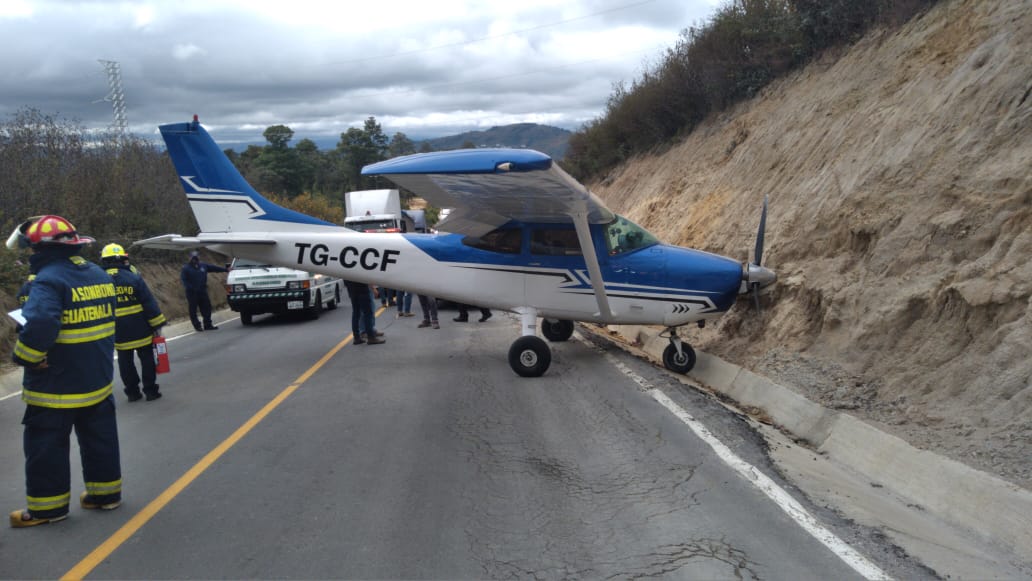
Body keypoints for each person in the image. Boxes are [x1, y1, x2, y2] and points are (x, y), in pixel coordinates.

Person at [6, 215, 122, 528]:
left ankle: (48, 509)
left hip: (56, 384)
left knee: (46, 446)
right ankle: (105, 496)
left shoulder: (47, 280)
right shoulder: (98, 273)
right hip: (96, 380)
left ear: (40, 249)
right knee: (101, 440)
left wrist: (27, 357)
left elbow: (41, 323)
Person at [102, 243, 167, 402]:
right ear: (122, 259)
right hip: (140, 328)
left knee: (125, 361)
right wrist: (157, 324)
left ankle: (132, 392)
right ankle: (150, 391)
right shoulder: (133, 276)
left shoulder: (99, 280)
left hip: (117, 330)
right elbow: (148, 303)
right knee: (146, 359)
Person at [180, 250, 227, 332]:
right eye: (193, 257)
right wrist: (191, 288)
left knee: (207, 308)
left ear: (199, 257)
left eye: (196, 257)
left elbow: (214, 268)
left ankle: (207, 325)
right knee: (193, 310)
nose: (195, 259)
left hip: (202, 291)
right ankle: (197, 326)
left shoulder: (203, 266)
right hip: (192, 293)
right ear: (190, 258)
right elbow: (184, 280)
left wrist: (226, 270)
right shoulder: (185, 268)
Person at [344, 280, 384, 345]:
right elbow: (364, 277)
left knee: (356, 313)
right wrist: (373, 288)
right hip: (362, 290)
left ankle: (356, 338)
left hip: (352, 291)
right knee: (368, 313)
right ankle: (371, 337)